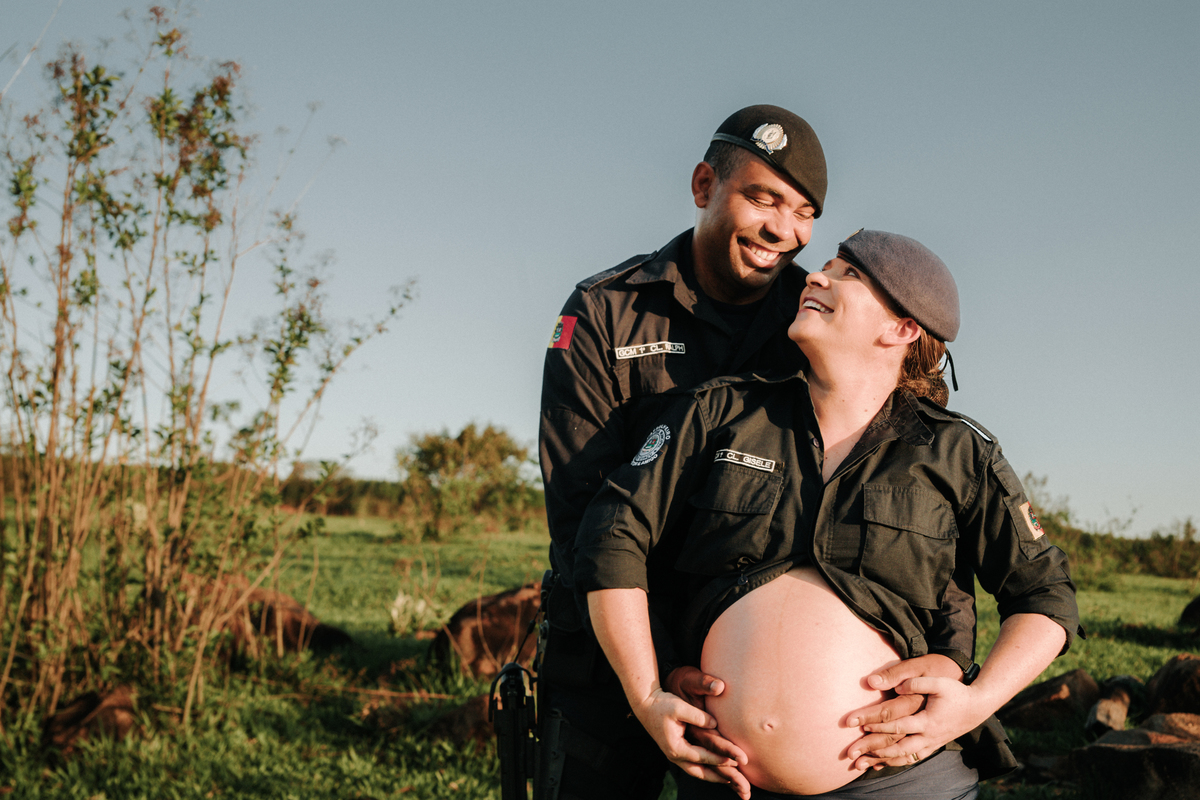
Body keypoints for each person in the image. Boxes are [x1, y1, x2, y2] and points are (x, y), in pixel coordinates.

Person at [537, 106, 977, 800]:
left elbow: (921, 510)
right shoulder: (606, 313)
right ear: (704, 184)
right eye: (763, 198)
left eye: (804, 211)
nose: (785, 230)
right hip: (616, 659)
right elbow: (586, 518)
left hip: (738, 690)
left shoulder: (812, 324)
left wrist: (948, 662)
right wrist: (661, 670)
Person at [574, 230, 1082, 799]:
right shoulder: (717, 411)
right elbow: (612, 537)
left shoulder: (959, 452)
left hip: (901, 781)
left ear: (902, 328)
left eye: (849, 274)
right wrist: (648, 690)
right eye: (826, 266)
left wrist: (973, 704)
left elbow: (1044, 597)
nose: (815, 276)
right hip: (725, 777)